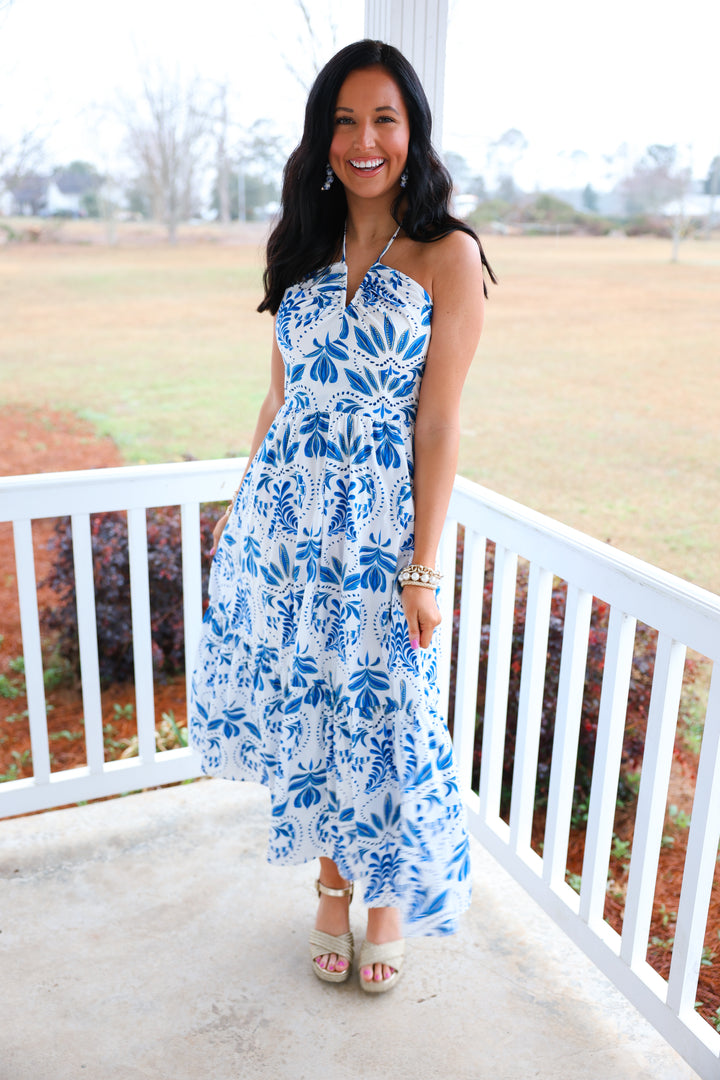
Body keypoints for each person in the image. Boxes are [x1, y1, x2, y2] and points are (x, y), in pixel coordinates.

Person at [189, 38, 495, 993]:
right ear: (324, 136)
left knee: (393, 716)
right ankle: (329, 887)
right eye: (346, 120)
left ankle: (387, 901)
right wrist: (247, 519)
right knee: (314, 709)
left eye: (385, 119)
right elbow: (278, 402)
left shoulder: (451, 255)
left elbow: (440, 423)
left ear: (413, 133)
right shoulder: (301, 248)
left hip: (379, 532)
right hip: (287, 531)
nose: (366, 140)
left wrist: (422, 565)